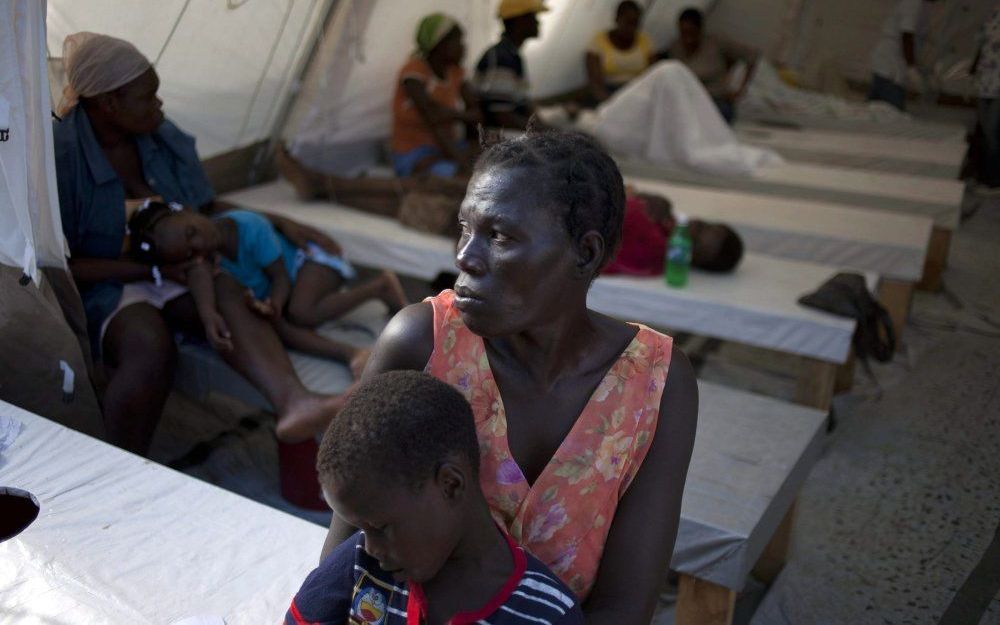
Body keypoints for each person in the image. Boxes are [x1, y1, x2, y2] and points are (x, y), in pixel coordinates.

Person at [321, 131, 699, 624]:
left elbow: (624, 606)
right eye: (465, 228)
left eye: (499, 236)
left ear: (584, 253)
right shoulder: (422, 344)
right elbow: (345, 555)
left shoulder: (657, 385)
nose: (465, 257)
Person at [53, 32, 345, 453]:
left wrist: (281, 221)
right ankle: (118, 466)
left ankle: (294, 402)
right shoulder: (62, 159)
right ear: (108, 103)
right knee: (150, 346)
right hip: (110, 283)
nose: (159, 104)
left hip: (181, 271)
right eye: (147, 97)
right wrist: (151, 271)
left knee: (230, 291)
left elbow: (202, 207)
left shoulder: (158, 135)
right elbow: (66, 266)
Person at [287, 371, 584, 624]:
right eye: (363, 529)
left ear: (451, 485)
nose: (372, 546)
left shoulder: (548, 614)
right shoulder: (361, 564)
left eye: (381, 527)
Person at [126, 203, 409, 412]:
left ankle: (380, 286)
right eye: (189, 253)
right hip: (284, 286)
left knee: (301, 312)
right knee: (280, 326)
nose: (199, 246)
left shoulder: (248, 226)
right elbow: (198, 276)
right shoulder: (205, 257)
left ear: (189, 210)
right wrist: (210, 314)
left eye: (191, 233)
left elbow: (280, 277)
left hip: (309, 262)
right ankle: (352, 355)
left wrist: (275, 301)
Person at [392, 13, 481, 178]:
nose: (463, 47)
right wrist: (463, 163)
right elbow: (433, 118)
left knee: (496, 152)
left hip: (446, 147)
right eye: (458, 41)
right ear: (439, 45)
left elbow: (476, 114)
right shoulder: (414, 72)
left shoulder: (456, 72)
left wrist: (448, 114)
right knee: (460, 177)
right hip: (414, 152)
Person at [604, 191, 744, 275]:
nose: (692, 228)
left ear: (691, 261)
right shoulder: (664, 215)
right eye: (701, 226)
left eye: (693, 241)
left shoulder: (654, 251)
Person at [667, 7, 759, 123]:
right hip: (687, 101)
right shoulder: (675, 48)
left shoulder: (716, 43)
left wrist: (740, 89)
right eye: (683, 34)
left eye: (692, 33)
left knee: (721, 114)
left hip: (714, 100)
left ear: (700, 30)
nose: (688, 40)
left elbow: (752, 56)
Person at [475, 0, 550, 130]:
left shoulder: (511, 54)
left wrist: (547, 128)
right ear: (520, 21)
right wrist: (545, 132)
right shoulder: (500, 58)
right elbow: (503, 117)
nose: (538, 22)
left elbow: (525, 106)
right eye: (533, 16)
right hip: (499, 137)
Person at [585, 1, 657, 105]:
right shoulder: (598, 44)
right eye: (628, 23)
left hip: (640, 92)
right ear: (617, 20)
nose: (631, 28)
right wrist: (613, 105)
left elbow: (654, 76)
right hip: (610, 93)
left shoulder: (646, 42)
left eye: (635, 24)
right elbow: (596, 86)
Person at [868, 0, 931, 111]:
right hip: (891, 68)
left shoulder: (923, 6)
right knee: (893, 116)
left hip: (887, 66)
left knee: (875, 113)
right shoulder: (914, 3)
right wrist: (911, 67)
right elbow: (906, 36)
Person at [971, 6, 1000, 193]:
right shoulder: (994, 14)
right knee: (984, 131)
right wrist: (972, 71)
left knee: (992, 132)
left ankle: (994, 181)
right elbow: (982, 45)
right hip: (984, 81)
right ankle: (983, 177)